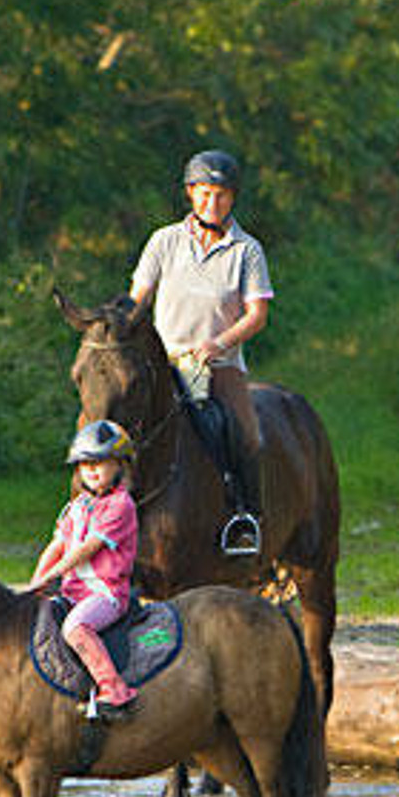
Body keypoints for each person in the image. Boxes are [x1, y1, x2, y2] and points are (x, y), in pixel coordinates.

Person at [129, 148, 272, 557]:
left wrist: (219, 344)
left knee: (247, 434)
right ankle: (96, 517)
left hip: (220, 364)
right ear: (191, 193)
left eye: (222, 195)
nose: (213, 203)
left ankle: (245, 518)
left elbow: (257, 314)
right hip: (165, 363)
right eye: (205, 193)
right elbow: (138, 300)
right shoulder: (164, 241)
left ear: (233, 198)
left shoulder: (247, 250)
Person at [31, 420, 142, 720]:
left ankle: (114, 688)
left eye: (100, 463)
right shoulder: (76, 506)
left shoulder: (121, 505)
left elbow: (85, 550)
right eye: (84, 464)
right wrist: (35, 583)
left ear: (120, 465)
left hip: (106, 595)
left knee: (76, 628)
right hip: (73, 593)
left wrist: (52, 576)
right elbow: (57, 546)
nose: (91, 470)